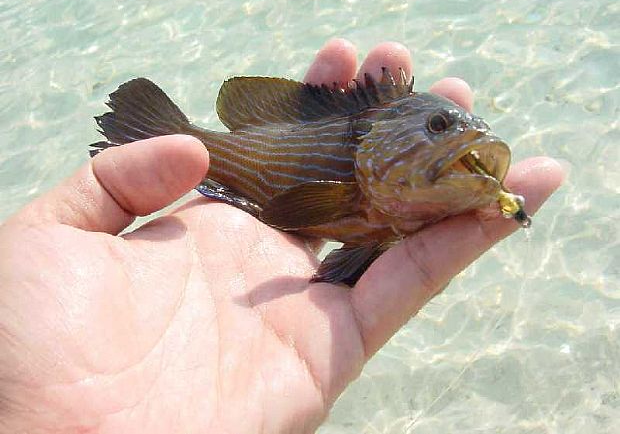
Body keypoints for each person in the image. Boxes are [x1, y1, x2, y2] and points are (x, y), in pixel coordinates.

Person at [0, 40, 564, 433]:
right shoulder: (358, 182)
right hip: (251, 176)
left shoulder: (424, 201)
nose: (469, 143)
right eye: (439, 127)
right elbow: (295, 206)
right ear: (383, 139)